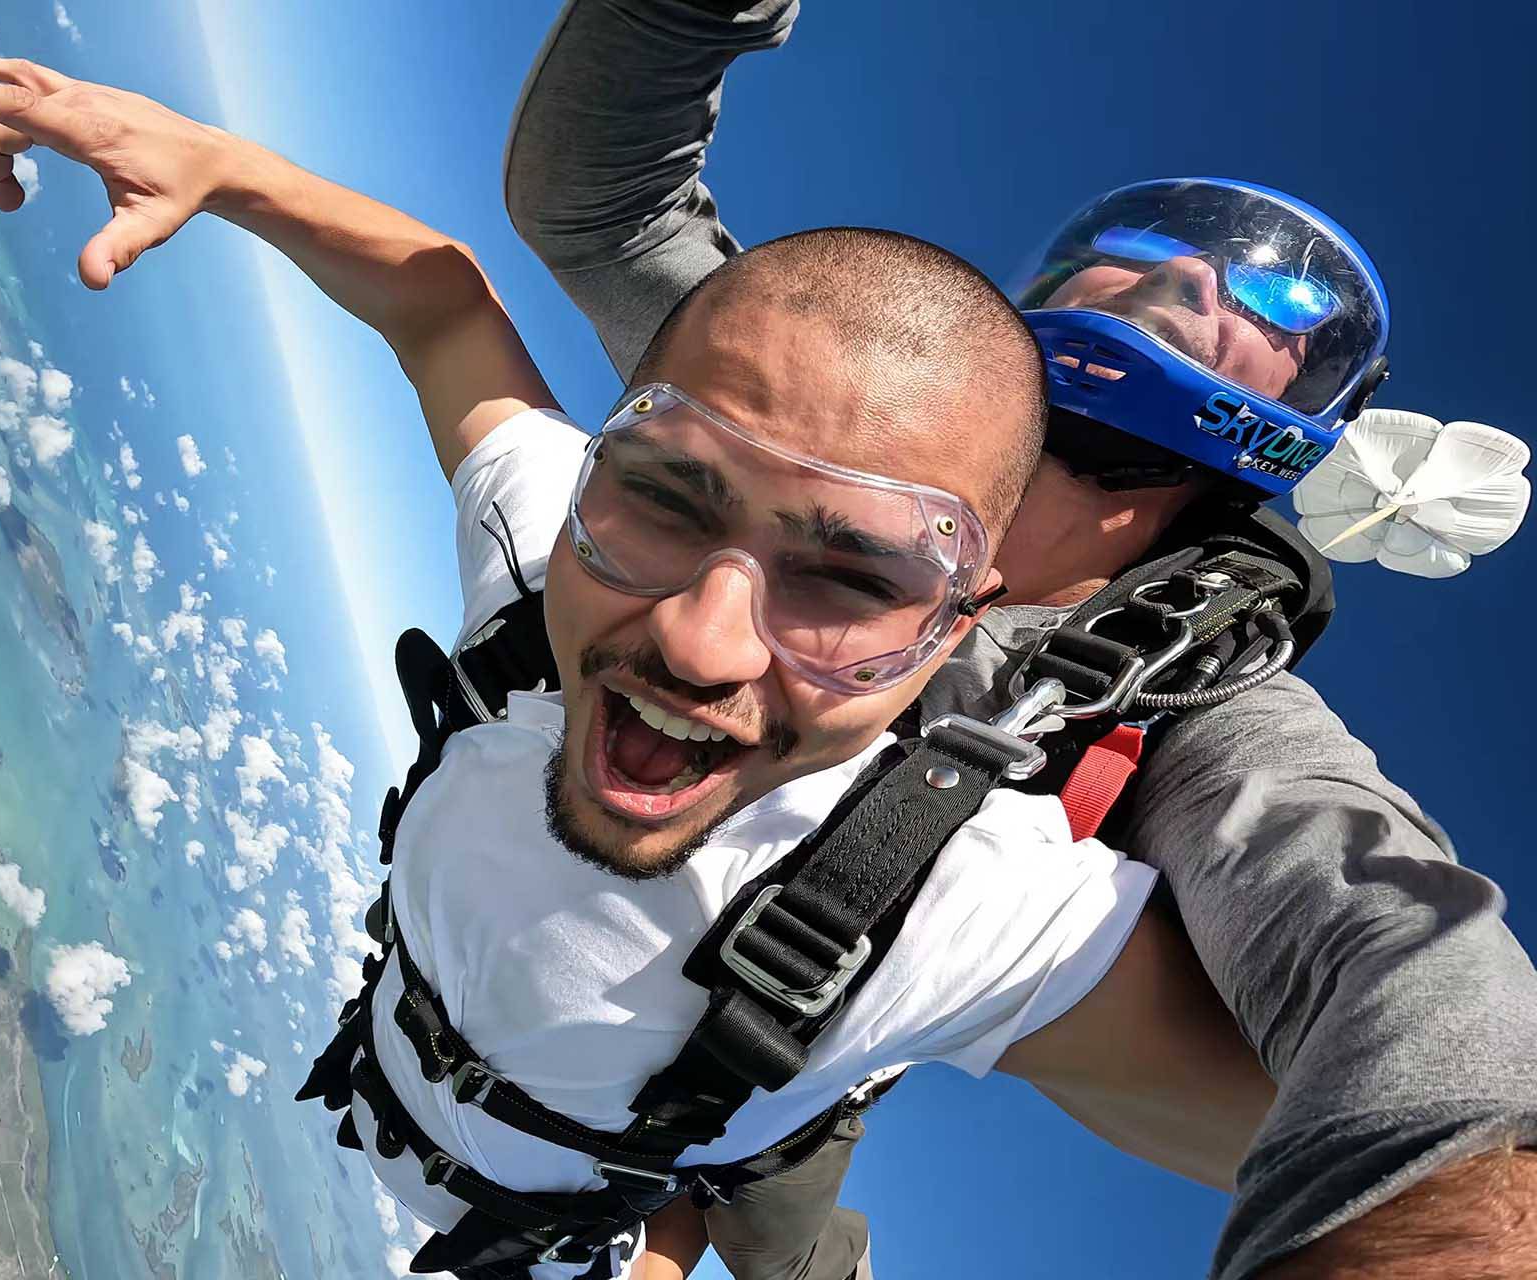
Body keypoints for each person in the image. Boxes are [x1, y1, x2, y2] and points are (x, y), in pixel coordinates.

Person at [0, 53, 1285, 1280]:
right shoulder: (542, 580)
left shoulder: (954, 902)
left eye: (855, 577)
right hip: (442, 1113)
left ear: (954, 628)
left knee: (785, 1224)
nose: (698, 637)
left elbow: (1427, 1158)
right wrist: (226, 165)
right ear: (593, 480)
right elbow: (439, 310)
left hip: (591, 1219)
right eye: (666, 499)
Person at [502, 3, 1537, 1278]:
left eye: (1275, 297)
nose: (1195, 275)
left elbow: (1391, 944)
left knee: (775, 1221)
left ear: (1311, 415)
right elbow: (601, 206)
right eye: (1152, 243)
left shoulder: (1199, 701)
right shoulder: (828, 406)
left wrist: (1464, 1204)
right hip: (564, 891)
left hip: (779, 1030)